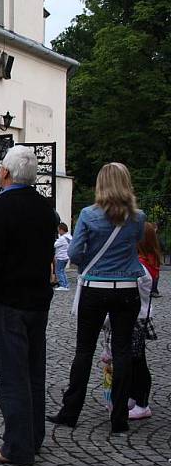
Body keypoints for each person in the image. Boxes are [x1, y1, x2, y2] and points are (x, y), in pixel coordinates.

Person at [0, 146, 58, 466]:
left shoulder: (1, 208)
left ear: (5, 173)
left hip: (6, 302)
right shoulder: (44, 208)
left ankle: (17, 446)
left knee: (11, 376)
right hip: (37, 299)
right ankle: (33, 437)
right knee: (33, 371)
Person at [48, 162, 145, 436]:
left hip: (96, 286)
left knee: (84, 351)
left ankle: (70, 412)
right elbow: (134, 245)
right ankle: (119, 417)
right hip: (126, 288)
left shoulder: (89, 215)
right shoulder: (138, 217)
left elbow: (75, 254)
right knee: (123, 351)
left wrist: (92, 260)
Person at [129, 222, 159, 420]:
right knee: (135, 359)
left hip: (136, 317)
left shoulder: (141, 266)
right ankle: (135, 396)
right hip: (139, 315)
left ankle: (142, 401)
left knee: (137, 361)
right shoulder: (148, 262)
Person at [54, 222, 72, 291]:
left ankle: (63, 285)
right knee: (62, 271)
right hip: (66, 257)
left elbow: (55, 245)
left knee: (58, 271)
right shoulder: (69, 236)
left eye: (58, 230)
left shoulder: (62, 238)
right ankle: (66, 285)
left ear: (61, 230)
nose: (58, 232)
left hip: (61, 257)